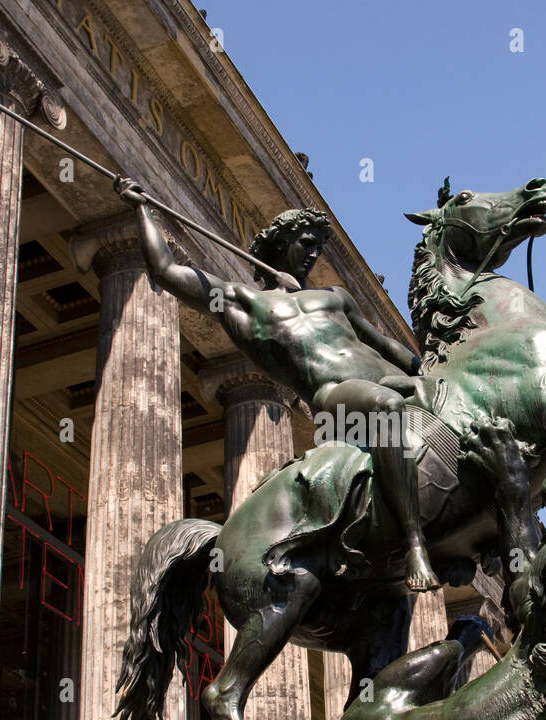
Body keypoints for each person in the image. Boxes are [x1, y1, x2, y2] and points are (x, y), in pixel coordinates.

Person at [117, 177, 440, 591]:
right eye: (305, 243)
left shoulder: (335, 297)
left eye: (317, 246)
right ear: (279, 244)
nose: (312, 253)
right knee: (388, 410)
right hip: (339, 396)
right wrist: (143, 209)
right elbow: (166, 270)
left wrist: (427, 366)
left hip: (389, 379)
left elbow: (383, 344)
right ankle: (415, 542)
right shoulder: (248, 304)